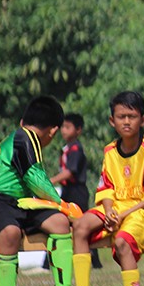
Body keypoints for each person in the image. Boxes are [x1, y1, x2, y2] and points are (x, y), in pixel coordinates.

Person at [0, 96, 80, 286]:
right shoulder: (27, 136)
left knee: (58, 223)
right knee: (10, 232)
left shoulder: (21, 135)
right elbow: (36, 179)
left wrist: (60, 210)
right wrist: (62, 203)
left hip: (20, 201)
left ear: (23, 119)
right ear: (53, 131)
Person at [71, 91, 144, 286]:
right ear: (111, 121)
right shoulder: (109, 151)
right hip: (115, 209)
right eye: (121, 116)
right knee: (80, 225)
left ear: (142, 120)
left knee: (122, 242)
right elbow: (105, 187)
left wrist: (121, 215)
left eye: (132, 116)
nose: (126, 121)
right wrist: (109, 211)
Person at [50, 113, 101, 268]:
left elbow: (70, 172)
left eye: (68, 127)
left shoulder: (76, 149)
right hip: (67, 190)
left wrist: (51, 181)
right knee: (62, 222)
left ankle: (95, 260)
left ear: (78, 130)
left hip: (77, 191)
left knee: (83, 223)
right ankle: (50, 262)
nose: (64, 131)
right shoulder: (66, 148)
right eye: (63, 127)